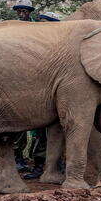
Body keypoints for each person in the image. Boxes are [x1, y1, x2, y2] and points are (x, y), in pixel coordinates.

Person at [23, 11, 63, 179]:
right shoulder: (34, 44)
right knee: (39, 134)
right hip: (38, 97)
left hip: (56, 96)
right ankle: (40, 165)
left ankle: (54, 167)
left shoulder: (60, 44)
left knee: (58, 134)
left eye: (45, 22)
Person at [11, 0, 36, 172]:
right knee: (16, 120)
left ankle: (37, 158)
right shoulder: (11, 29)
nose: (21, 14)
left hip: (35, 79)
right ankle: (17, 157)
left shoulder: (38, 28)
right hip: (16, 80)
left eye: (24, 11)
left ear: (30, 12)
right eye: (19, 11)